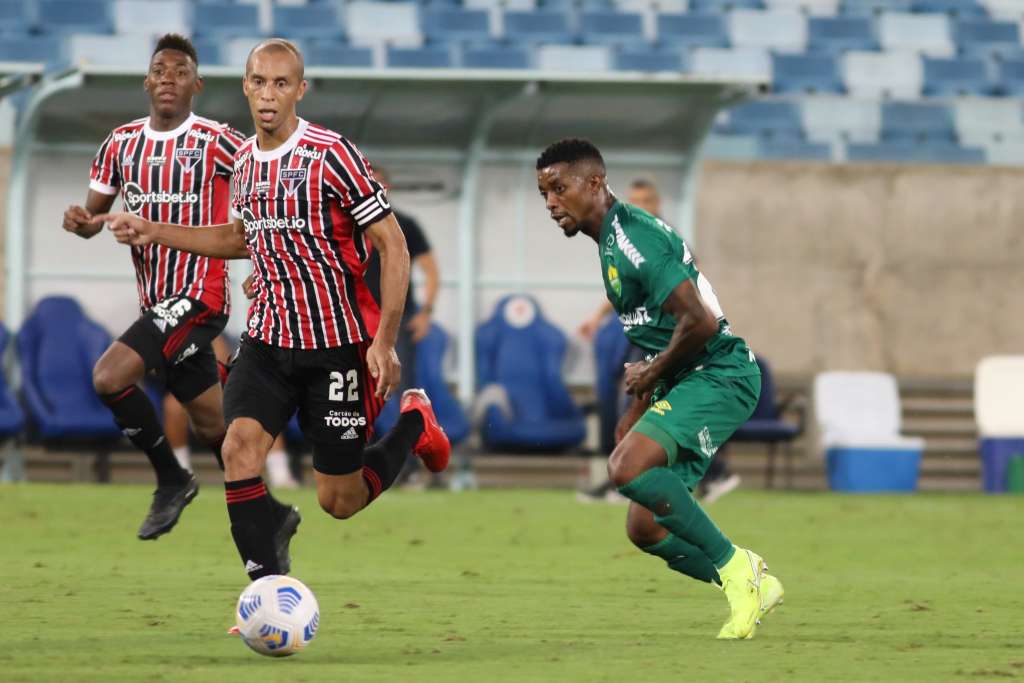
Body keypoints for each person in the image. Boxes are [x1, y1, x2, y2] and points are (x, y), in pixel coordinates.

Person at [97, 38, 451, 581]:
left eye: (281, 84)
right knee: (238, 448)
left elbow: (393, 245)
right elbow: (242, 236)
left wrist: (383, 341)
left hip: (334, 346)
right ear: (245, 86)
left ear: (299, 91)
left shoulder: (331, 154)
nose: (268, 94)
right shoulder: (240, 160)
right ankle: (267, 590)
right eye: (259, 82)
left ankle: (413, 422)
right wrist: (152, 228)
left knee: (340, 499)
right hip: (265, 344)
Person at [536, 138, 783, 639]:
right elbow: (665, 330)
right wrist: (644, 400)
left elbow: (700, 324)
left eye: (559, 188)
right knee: (645, 528)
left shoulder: (634, 238)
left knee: (625, 467)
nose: (551, 203)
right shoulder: (609, 241)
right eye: (544, 193)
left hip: (721, 373)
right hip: (688, 378)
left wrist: (648, 376)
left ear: (595, 183)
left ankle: (738, 568)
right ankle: (754, 583)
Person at [61, 34, 261, 541]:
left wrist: (266, 262)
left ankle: (172, 479)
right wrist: (82, 220)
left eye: (179, 71)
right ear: (147, 81)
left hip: (200, 296)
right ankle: (269, 516)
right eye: (159, 69)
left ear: (197, 84)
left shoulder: (220, 141)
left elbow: (263, 202)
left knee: (109, 377)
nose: (168, 77)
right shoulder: (120, 144)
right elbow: (94, 218)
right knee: (215, 427)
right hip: (158, 303)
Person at [577, 177, 741, 505]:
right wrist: (598, 316)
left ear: (657, 204)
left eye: (645, 200)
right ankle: (702, 474)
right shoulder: (631, 237)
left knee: (656, 406)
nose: (637, 205)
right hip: (650, 334)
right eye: (633, 199)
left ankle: (698, 474)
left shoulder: (661, 238)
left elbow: (690, 289)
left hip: (672, 337)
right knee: (642, 404)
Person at [363, 167, 441, 485]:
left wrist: (426, 312)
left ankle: (406, 468)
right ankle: (358, 463)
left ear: (388, 188)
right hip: (355, 321)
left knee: (400, 390)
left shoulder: (405, 225)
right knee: (355, 393)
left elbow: (431, 270)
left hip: (395, 324)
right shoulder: (350, 224)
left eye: (379, 184)